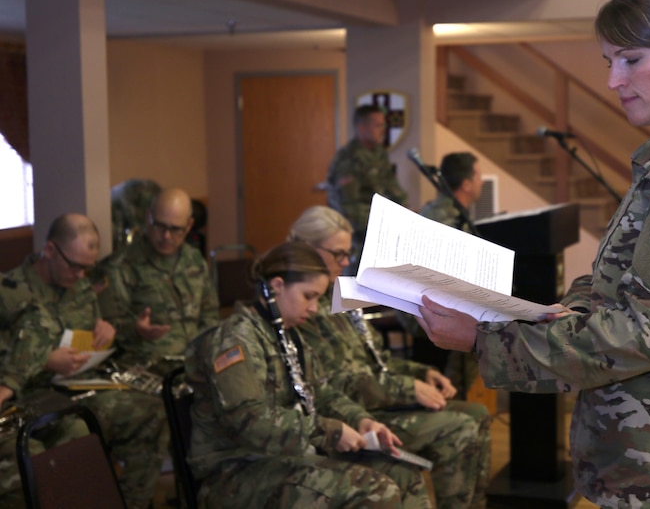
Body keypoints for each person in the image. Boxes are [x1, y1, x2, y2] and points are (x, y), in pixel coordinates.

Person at [415, 0, 650, 509]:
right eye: (608, 60)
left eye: (631, 59)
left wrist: (484, 340)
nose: (614, 79)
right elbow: (622, 282)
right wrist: (568, 308)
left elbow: (642, 331)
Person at [184, 241, 431, 508]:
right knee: (374, 490)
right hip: (236, 469)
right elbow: (249, 419)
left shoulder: (288, 333)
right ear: (277, 286)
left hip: (285, 455)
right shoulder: (236, 338)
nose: (314, 308)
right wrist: (328, 431)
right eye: (308, 296)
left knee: (404, 476)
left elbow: (321, 391)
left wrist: (360, 420)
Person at [288, 206, 491, 509]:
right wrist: (409, 389)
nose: (345, 262)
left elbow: (376, 359)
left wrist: (422, 374)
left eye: (348, 254)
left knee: (478, 414)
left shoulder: (335, 292)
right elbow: (338, 384)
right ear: (306, 248)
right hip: (355, 413)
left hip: (376, 399)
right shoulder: (301, 305)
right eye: (337, 254)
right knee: (458, 429)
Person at [0, 213, 167, 509]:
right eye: (74, 266)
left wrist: (107, 332)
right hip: (30, 395)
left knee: (152, 413)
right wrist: (45, 360)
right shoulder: (12, 291)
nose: (80, 276)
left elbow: (91, 333)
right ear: (50, 250)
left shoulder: (82, 289)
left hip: (76, 386)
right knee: (56, 446)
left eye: (87, 269)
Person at [97, 187, 219, 376]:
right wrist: (136, 330)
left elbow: (210, 314)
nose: (166, 236)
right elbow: (106, 329)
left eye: (175, 229)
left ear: (189, 226)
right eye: (160, 226)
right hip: (145, 369)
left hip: (194, 366)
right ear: (148, 218)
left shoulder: (194, 259)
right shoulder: (120, 266)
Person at [416, 152, 484, 397]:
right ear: (466, 185)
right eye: (478, 176)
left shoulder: (445, 210)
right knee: (449, 387)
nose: (482, 182)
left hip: (436, 313)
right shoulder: (446, 218)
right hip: (436, 317)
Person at [326, 104, 408, 266]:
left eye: (383, 125)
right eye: (378, 125)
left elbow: (393, 190)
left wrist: (406, 214)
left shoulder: (379, 153)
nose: (383, 130)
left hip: (382, 232)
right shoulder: (348, 159)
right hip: (358, 239)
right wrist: (382, 227)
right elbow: (350, 208)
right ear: (362, 127)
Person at [419, 152, 483, 234]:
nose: (482, 182)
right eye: (478, 178)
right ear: (466, 185)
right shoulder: (448, 219)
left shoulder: (436, 209)